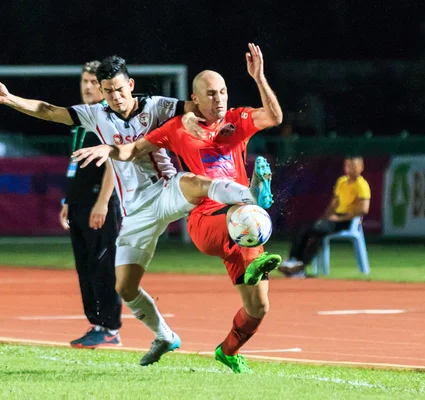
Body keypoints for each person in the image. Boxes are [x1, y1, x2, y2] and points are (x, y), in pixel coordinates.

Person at [0, 55, 269, 366]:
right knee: (125, 287)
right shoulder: (95, 114)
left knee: (194, 181)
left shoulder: (156, 105)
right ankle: (165, 335)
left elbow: (198, 105)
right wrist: (9, 100)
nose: (114, 96)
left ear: (130, 85)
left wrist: (192, 121)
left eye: (118, 88)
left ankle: (250, 196)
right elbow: (49, 111)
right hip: (135, 211)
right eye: (107, 91)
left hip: (166, 189)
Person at [73, 43, 283, 373]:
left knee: (259, 308)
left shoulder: (237, 120)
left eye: (223, 92)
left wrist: (259, 77)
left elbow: (274, 116)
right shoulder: (177, 127)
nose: (220, 99)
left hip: (241, 226)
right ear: (195, 100)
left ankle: (227, 351)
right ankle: (253, 197)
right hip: (207, 220)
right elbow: (133, 150)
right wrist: (108, 150)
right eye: (211, 94)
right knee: (245, 212)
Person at [58, 60, 122, 348]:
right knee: (85, 266)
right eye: (84, 81)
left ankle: (110, 328)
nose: (87, 87)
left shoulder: (108, 119)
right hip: (80, 203)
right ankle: (96, 324)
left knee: (102, 265)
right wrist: (68, 200)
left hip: (101, 203)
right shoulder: (81, 120)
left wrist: (103, 202)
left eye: (93, 83)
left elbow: (114, 163)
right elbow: (77, 168)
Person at [278, 156, 371, 277]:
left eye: (353, 166)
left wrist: (340, 219)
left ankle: (301, 266)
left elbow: (363, 209)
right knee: (305, 228)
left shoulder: (362, 185)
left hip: (349, 220)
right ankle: (293, 260)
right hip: (334, 218)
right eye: (347, 165)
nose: (350, 169)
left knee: (318, 233)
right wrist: (325, 217)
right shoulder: (342, 181)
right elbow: (334, 203)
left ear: (361, 167)